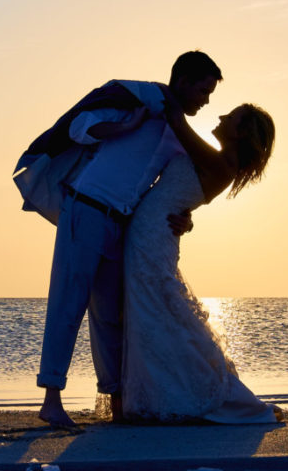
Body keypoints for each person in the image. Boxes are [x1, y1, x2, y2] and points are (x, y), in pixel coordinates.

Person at [27, 51, 223, 430]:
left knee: (110, 314)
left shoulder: (179, 134)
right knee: (69, 303)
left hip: (122, 224)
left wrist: (187, 217)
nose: (206, 100)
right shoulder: (141, 98)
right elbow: (81, 126)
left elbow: (173, 188)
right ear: (182, 81)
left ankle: (115, 401)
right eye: (203, 90)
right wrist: (127, 124)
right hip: (85, 207)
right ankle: (52, 400)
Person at [118, 96, 278, 423]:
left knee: (157, 311)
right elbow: (184, 197)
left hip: (152, 239)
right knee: (153, 311)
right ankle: (155, 393)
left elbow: (178, 124)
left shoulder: (223, 164)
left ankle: (170, 395)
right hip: (151, 235)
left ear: (243, 132)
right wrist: (187, 220)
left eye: (231, 116)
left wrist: (167, 94)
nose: (220, 115)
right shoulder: (219, 160)